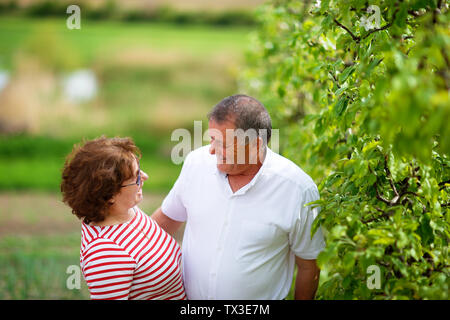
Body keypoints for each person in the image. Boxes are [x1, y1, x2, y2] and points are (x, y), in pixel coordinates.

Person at [152, 94, 325, 300]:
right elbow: (165, 220)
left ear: (254, 145)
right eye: (212, 139)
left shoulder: (297, 189)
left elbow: (309, 265)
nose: (212, 150)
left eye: (223, 144)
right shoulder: (196, 164)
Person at [61, 136, 186, 300]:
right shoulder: (105, 254)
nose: (145, 176)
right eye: (136, 177)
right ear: (110, 195)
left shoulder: (127, 212)